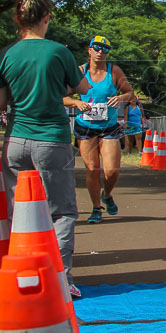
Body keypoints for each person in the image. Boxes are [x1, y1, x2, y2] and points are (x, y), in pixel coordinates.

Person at [0, 0, 90, 298]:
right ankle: (60, 278)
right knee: (61, 211)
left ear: (17, 19)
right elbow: (83, 87)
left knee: (18, 209)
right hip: (51, 140)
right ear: (46, 18)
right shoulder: (58, 52)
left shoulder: (6, 54)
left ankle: (22, 276)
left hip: (16, 139)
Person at [63, 36, 133, 224]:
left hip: (108, 127)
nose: (100, 52)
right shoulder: (79, 71)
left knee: (112, 171)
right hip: (85, 128)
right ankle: (96, 208)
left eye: (105, 49)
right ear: (89, 50)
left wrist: (120, 98)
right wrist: (76, 102)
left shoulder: (114, 71)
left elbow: (130, 93)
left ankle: (107, 194)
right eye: (97, 47)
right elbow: (62, 97)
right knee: (92, 169)